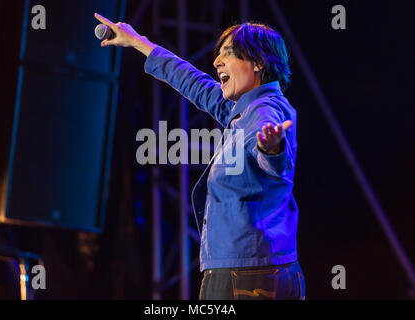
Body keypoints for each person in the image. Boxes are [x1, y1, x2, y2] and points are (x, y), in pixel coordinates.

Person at [94, 12, 305, 300]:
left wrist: (272, 148)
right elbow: (193, 82)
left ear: (258, 63)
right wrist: (137, 42)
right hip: (260, 269)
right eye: (218, 54)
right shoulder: (242, 110)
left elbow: (274, 163)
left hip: (244, 274)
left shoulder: (264, 111)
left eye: (228, 54)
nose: (217, 61)